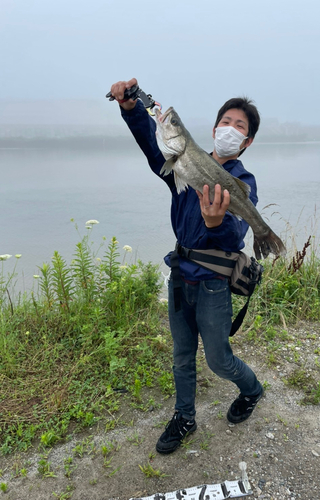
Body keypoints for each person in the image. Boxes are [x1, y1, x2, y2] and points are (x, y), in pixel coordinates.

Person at [110, 78, 264, 454]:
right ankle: (184, 417)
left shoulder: (242, 181)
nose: (230, 128)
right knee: (181, 356)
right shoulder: (182, 166)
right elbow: (154, 145)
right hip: (180, 275)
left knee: (218, 359)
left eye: (239, 126)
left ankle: (252, 388)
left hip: (213, 283)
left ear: (247, 142)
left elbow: (232, 237)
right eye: (225, 121)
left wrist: (216, 223)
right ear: (213, 130)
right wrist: (131, 110)